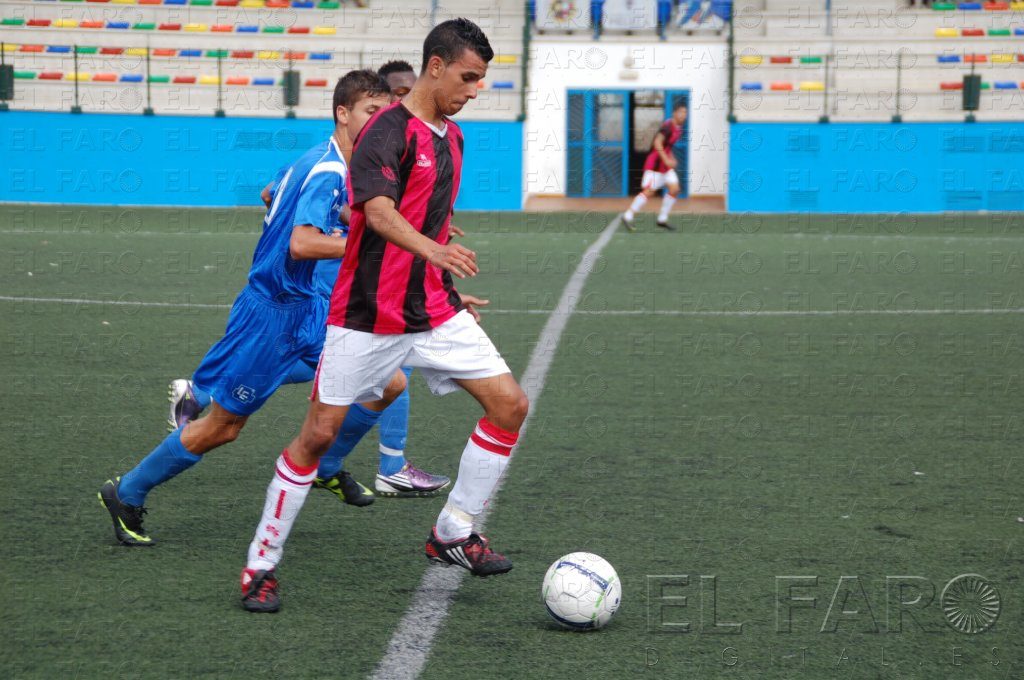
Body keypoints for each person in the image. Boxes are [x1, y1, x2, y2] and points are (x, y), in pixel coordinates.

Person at [239, 18, 529, 613]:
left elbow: (433, 224)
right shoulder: (384, 130)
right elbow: (377, 213)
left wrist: (448, 287)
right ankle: (260, 565)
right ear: (436, 66)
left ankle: (453, 532)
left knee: (510, 405)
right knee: (317, 435)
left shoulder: (453, 138)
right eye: (468, 77)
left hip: (434, 310)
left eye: (481, 79)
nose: (475, 90)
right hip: (366, 316)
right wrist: (433, 251)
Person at [98, 70, 414, 547]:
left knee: (388, 381)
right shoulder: (329, 170)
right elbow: (302, 243)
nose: (379, 123)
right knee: (224, 429)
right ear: (342, 113)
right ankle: (127, 491)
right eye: (371, 112)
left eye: (384, 114)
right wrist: (366, 242)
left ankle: (325, 464)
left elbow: (271, 194)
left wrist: (367, 225)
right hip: (271, 317)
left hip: (307, 308)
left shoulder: (328, 160)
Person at [164, 61, 453, 502]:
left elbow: (277, 194)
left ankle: (208, 394)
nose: (396, 108)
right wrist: (356, 239)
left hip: (324, 286)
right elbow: (293, 216)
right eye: (392, 98)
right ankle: (381, 466)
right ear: (347, 111)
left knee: (384, 370)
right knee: (383, 365)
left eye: (400, 100)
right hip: (323, 283)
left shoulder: (360, 153)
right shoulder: (340, 159)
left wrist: (398, 231)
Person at [622, 101, 688, 232]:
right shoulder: (667, 126)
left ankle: (662, 219)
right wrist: (666, 160)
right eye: (681, 112)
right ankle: (627, 216)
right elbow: (658, 143)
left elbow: (667, 146)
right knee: (649, 191)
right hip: (655, 165)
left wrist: (672, 158)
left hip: (665, 167)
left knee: (674, 189)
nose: (683, 115)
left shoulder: (678, 129)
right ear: (674, 113)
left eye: (685, 112)